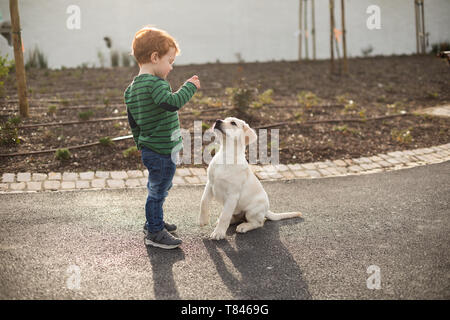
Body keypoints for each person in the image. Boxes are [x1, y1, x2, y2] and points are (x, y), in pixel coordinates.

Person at [124, 26, 201, 249]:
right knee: (158, 191)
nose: (171, 66)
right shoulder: (155, 84)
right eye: (170, 60)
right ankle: (154, 232)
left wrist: (140, 143)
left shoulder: (131, 89)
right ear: (155, 57)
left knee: (157, 188)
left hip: (150, 148)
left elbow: (133, 122)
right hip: (162, 151)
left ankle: (154, 221)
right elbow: (172, 102)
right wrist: (189, 87)